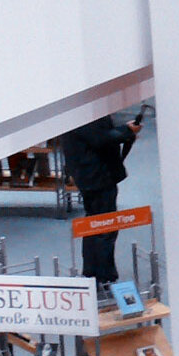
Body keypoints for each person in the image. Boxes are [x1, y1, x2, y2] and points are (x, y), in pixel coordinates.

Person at [61, 110, 142, 285]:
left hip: (90, 175)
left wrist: (125, 132)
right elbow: (100, 138)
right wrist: (126, 132)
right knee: (105, 225)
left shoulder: (75, 110)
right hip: (96, 177)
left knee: (94, 223)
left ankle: (94, 272)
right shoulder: (83, 113)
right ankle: (103, 275)